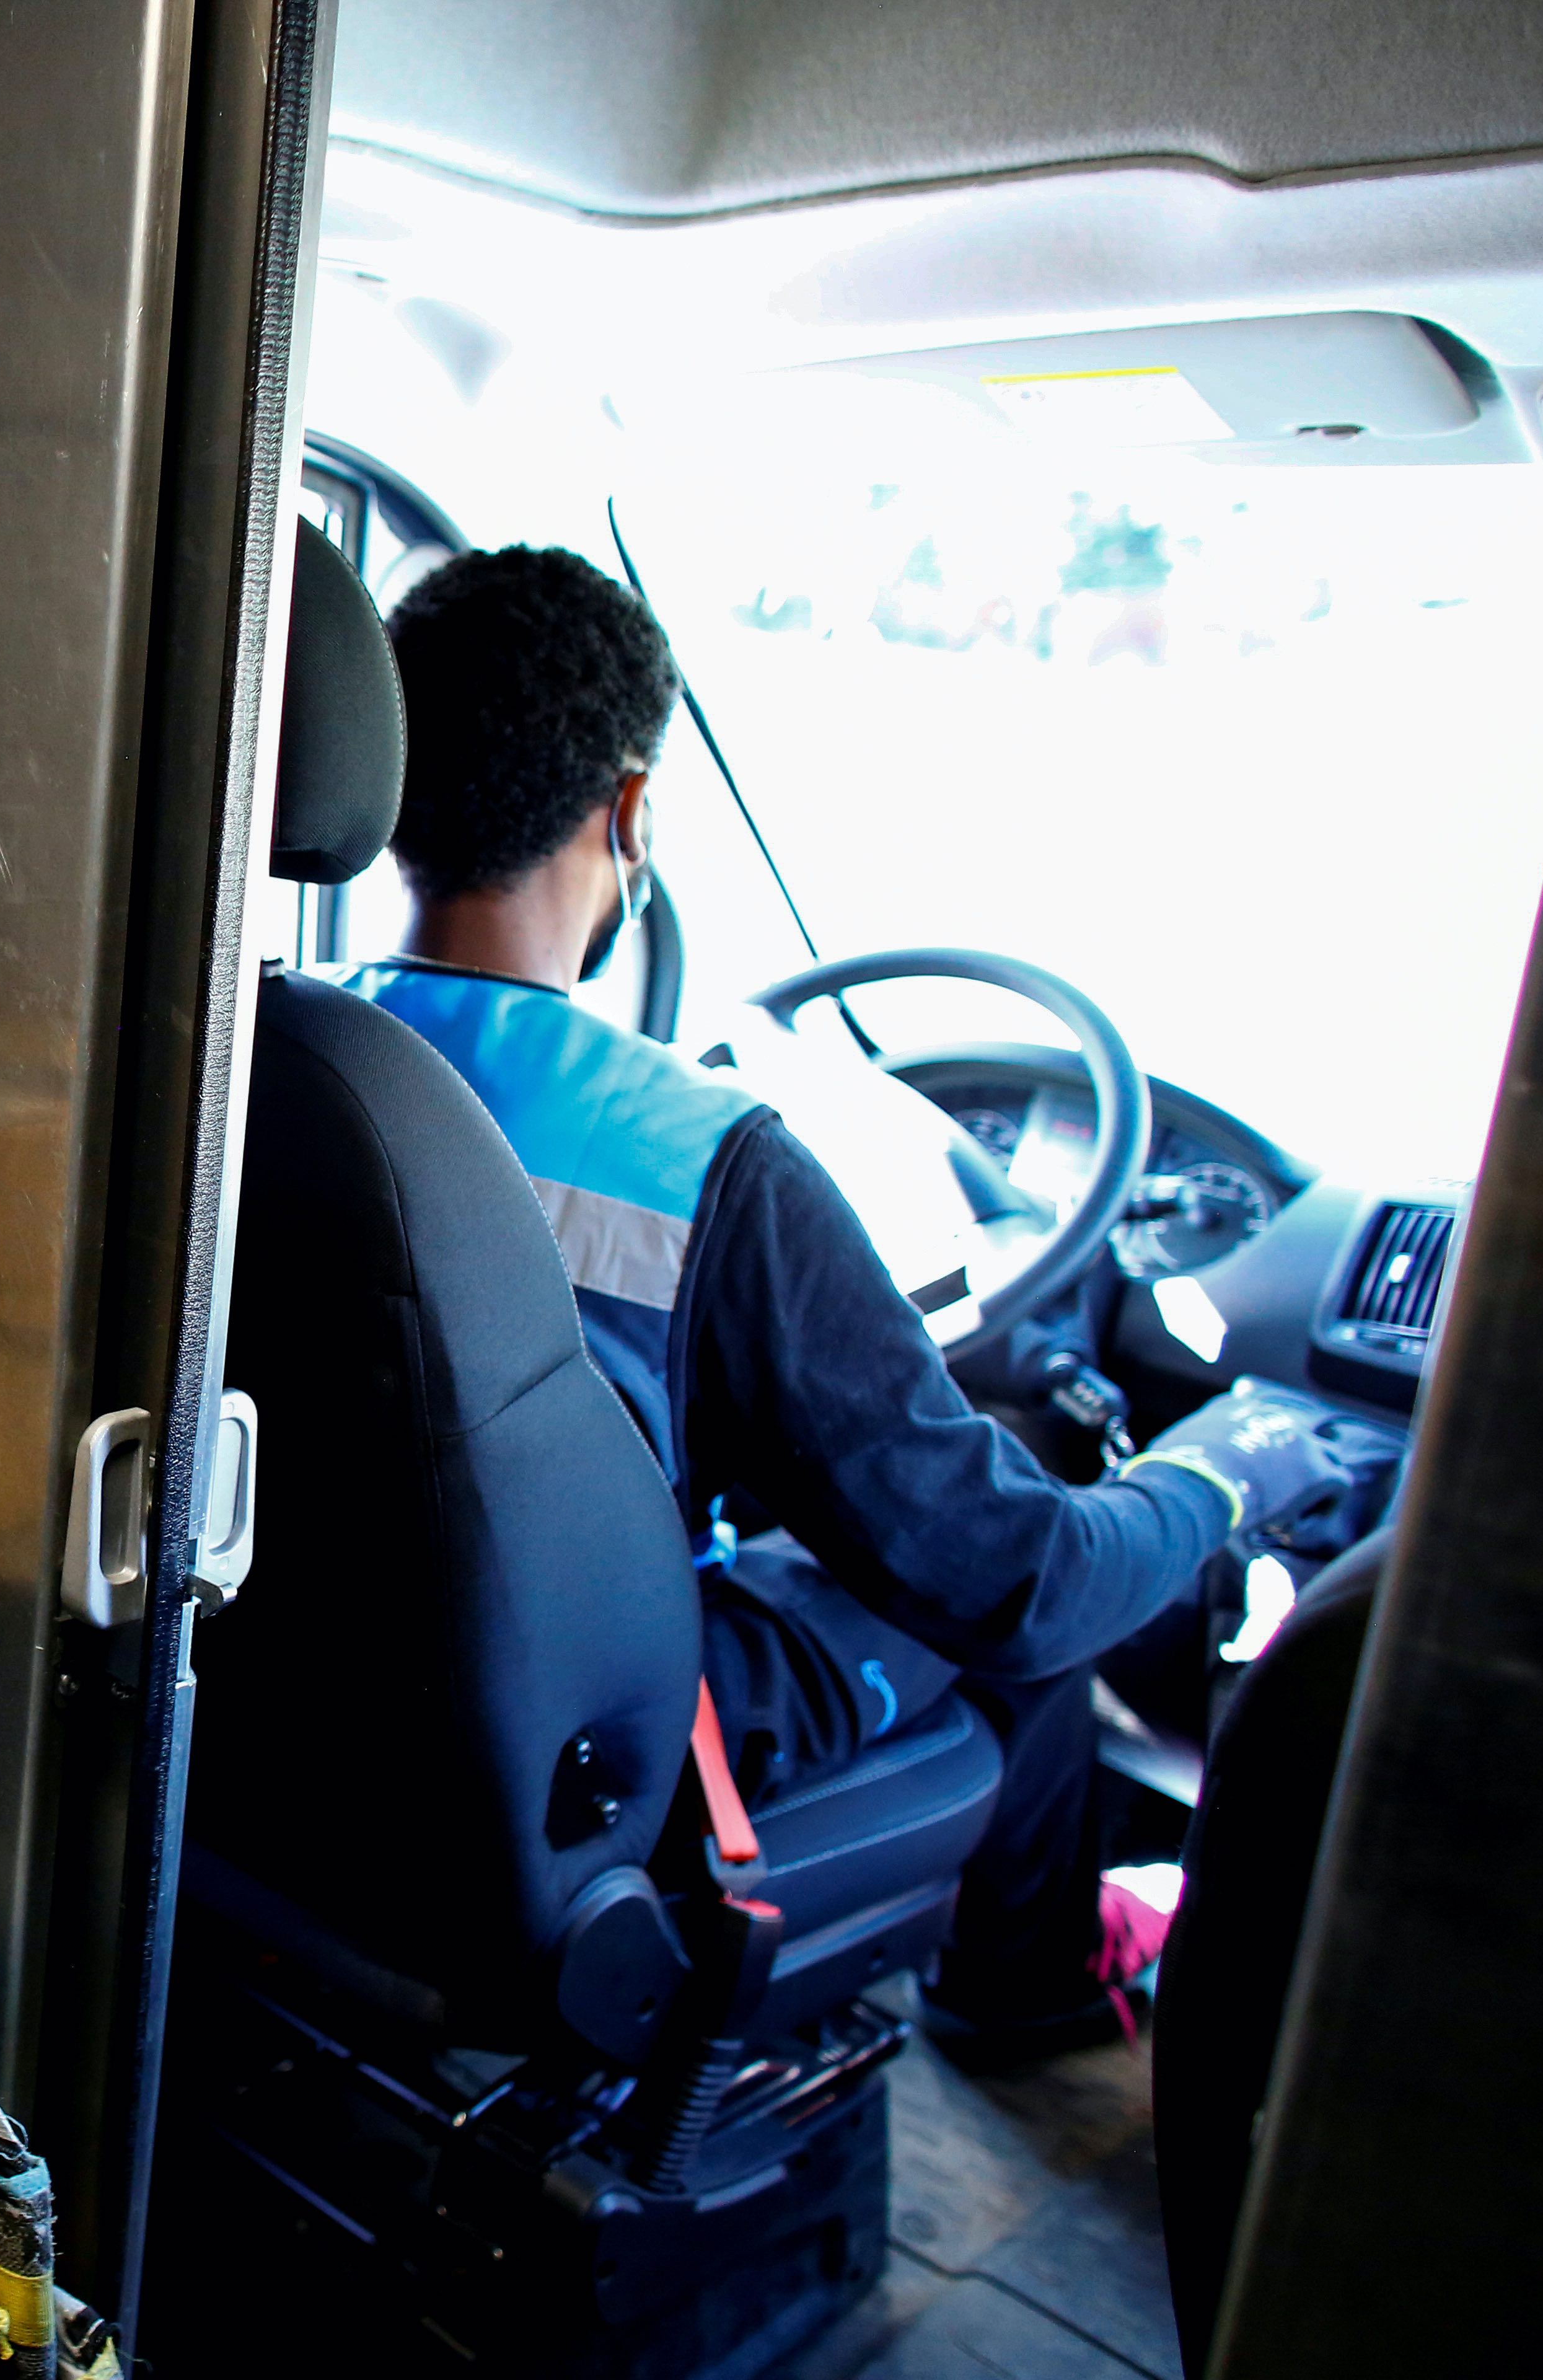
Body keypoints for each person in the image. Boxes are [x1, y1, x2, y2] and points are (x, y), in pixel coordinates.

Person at [336, 543, 1348, 2058]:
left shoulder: (293, 1053)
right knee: (1023, 1569)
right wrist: (1225, 1476)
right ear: (629, 812)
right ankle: (1026, 1990)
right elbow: (1024, 1584)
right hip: (590, 1759)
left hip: (340, 1701)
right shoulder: (710, 1162)